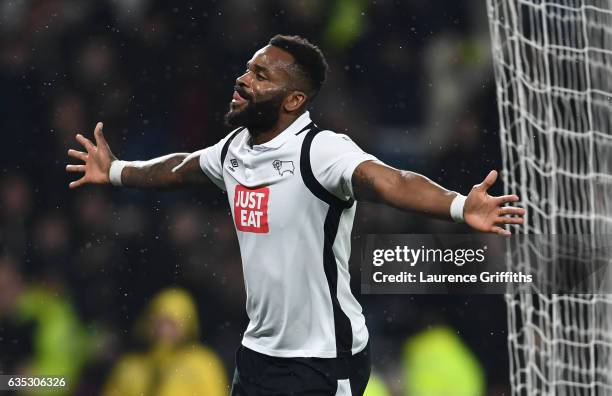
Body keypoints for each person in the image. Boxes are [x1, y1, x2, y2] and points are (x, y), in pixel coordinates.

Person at [66, 34, 525, 395]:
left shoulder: (319, 150)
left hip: (324, 361)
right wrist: (117, 171)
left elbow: (391, 181)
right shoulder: (235, 149)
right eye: (248, 68)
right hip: (258, 354)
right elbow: (181, 168)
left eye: (262, 75)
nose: (243, 79)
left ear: (293, 101)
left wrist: (460, 205)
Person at [102, 288, 228, 396]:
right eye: (159, 321)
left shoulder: (202, 363)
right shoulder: (129, 367)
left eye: (172, 323)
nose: (164, 329)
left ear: (187, 325)